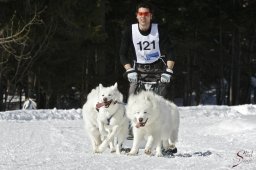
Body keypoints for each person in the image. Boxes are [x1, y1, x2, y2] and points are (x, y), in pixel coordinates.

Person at [119, 2, 175, 99]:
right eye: (140, 14)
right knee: (132, 99)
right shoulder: (130, 31)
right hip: (138, 70)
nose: (143, 17)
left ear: (150, 16)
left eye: (146, 14)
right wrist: (129, 70)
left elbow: (171, 52)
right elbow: (122, 54)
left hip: (158, 69)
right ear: (137, 16)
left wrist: (168, 70)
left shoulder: (160, 31)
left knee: (162, 100)